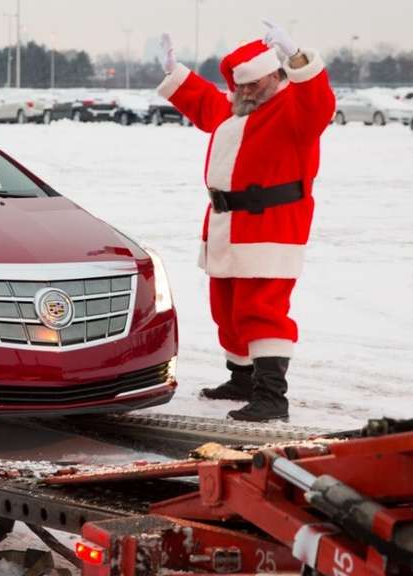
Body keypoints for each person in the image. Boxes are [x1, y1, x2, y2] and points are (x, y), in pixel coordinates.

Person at [157, 21, 335, 422]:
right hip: (226, 226)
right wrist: (175, 72)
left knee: (262, 309)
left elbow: (318, 102)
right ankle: (242, 378)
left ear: (275, 76)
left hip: (270, 226)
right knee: (227, 309)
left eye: (253, 85)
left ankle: (272, 396)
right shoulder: (240, 109)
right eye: (240, 87)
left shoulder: (293, 111)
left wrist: (299, 58)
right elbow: (205, 103)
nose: (244, 93)